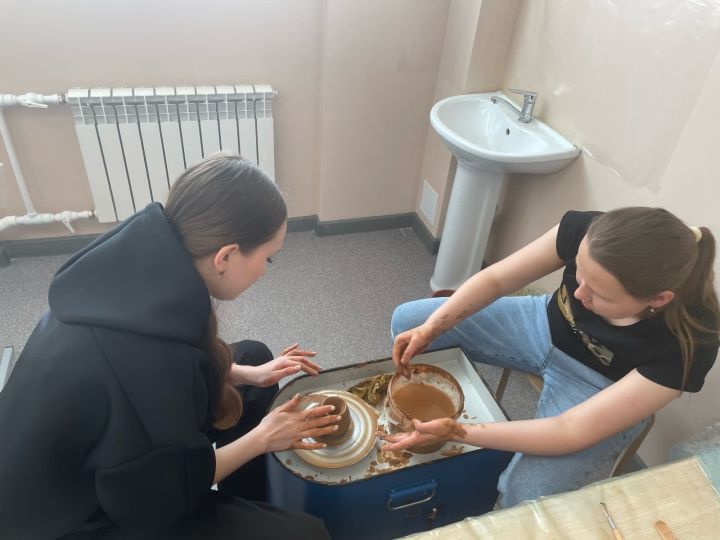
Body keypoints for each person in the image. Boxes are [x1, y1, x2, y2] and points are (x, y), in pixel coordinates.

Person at [0, 154, 339, 539]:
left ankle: (245, 504)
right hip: (75, 521)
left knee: (253, 356)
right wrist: (262, 438)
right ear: (225, 256)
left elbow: (173, 357)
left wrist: (248, 374)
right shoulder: (149, 368)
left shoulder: (147, 255)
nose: (265, 271)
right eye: (268, 258)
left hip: (103, 456)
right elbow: (158, 499)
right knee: (307, 534)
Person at [382, 208, 719, 508]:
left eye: (598, 294)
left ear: (658, 300)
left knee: (528, 492)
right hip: (542, 323)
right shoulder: (590, 231)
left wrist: (458, 431)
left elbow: (569, 430)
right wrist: (433, 327)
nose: (578, 293)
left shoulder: (691, 341)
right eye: (579, 273)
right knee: (410, 322)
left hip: (599, 385)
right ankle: (427, 428)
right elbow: (497, 279)